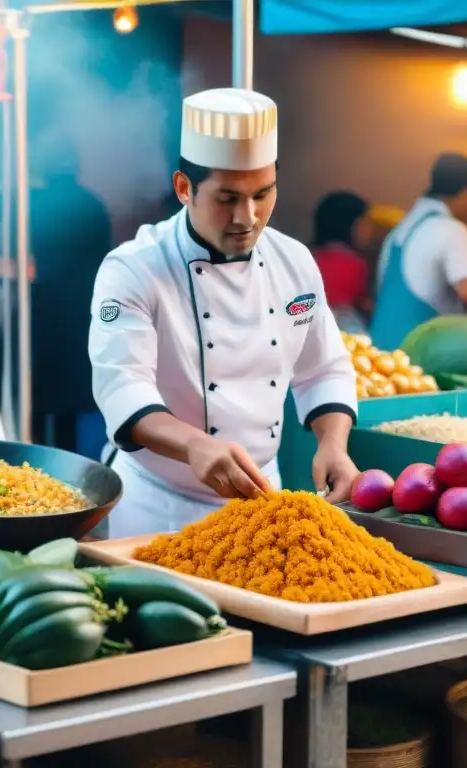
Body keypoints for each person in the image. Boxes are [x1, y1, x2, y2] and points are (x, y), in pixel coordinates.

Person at [89, 88, 359, 538]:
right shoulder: (133, 268)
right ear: (183, 188)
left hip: (260, 502)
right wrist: (195, 445)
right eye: (227, 198)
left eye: (262, 194)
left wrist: (333, 445)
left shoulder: (294, 262)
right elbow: (122, 387)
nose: (247, 217)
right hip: (157, 507)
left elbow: (323, 369)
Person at [30, 158, 113, 454]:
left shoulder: (38, 203)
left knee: (45, 396)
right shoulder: (95, 204)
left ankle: (44, 459)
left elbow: (29, 265)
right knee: (82, 394)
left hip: (50, 312)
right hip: (89, 307)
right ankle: (83, 463)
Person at [370, 153, 467, 352]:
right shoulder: (452, 229)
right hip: (421, 352)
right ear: (466, 193)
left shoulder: (400, 229)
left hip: (380, 350)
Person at [309, 191, 373, 332]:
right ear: (350, 225)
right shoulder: (353, 263)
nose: (369, 230)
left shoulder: (310, 256)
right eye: (364, 223)